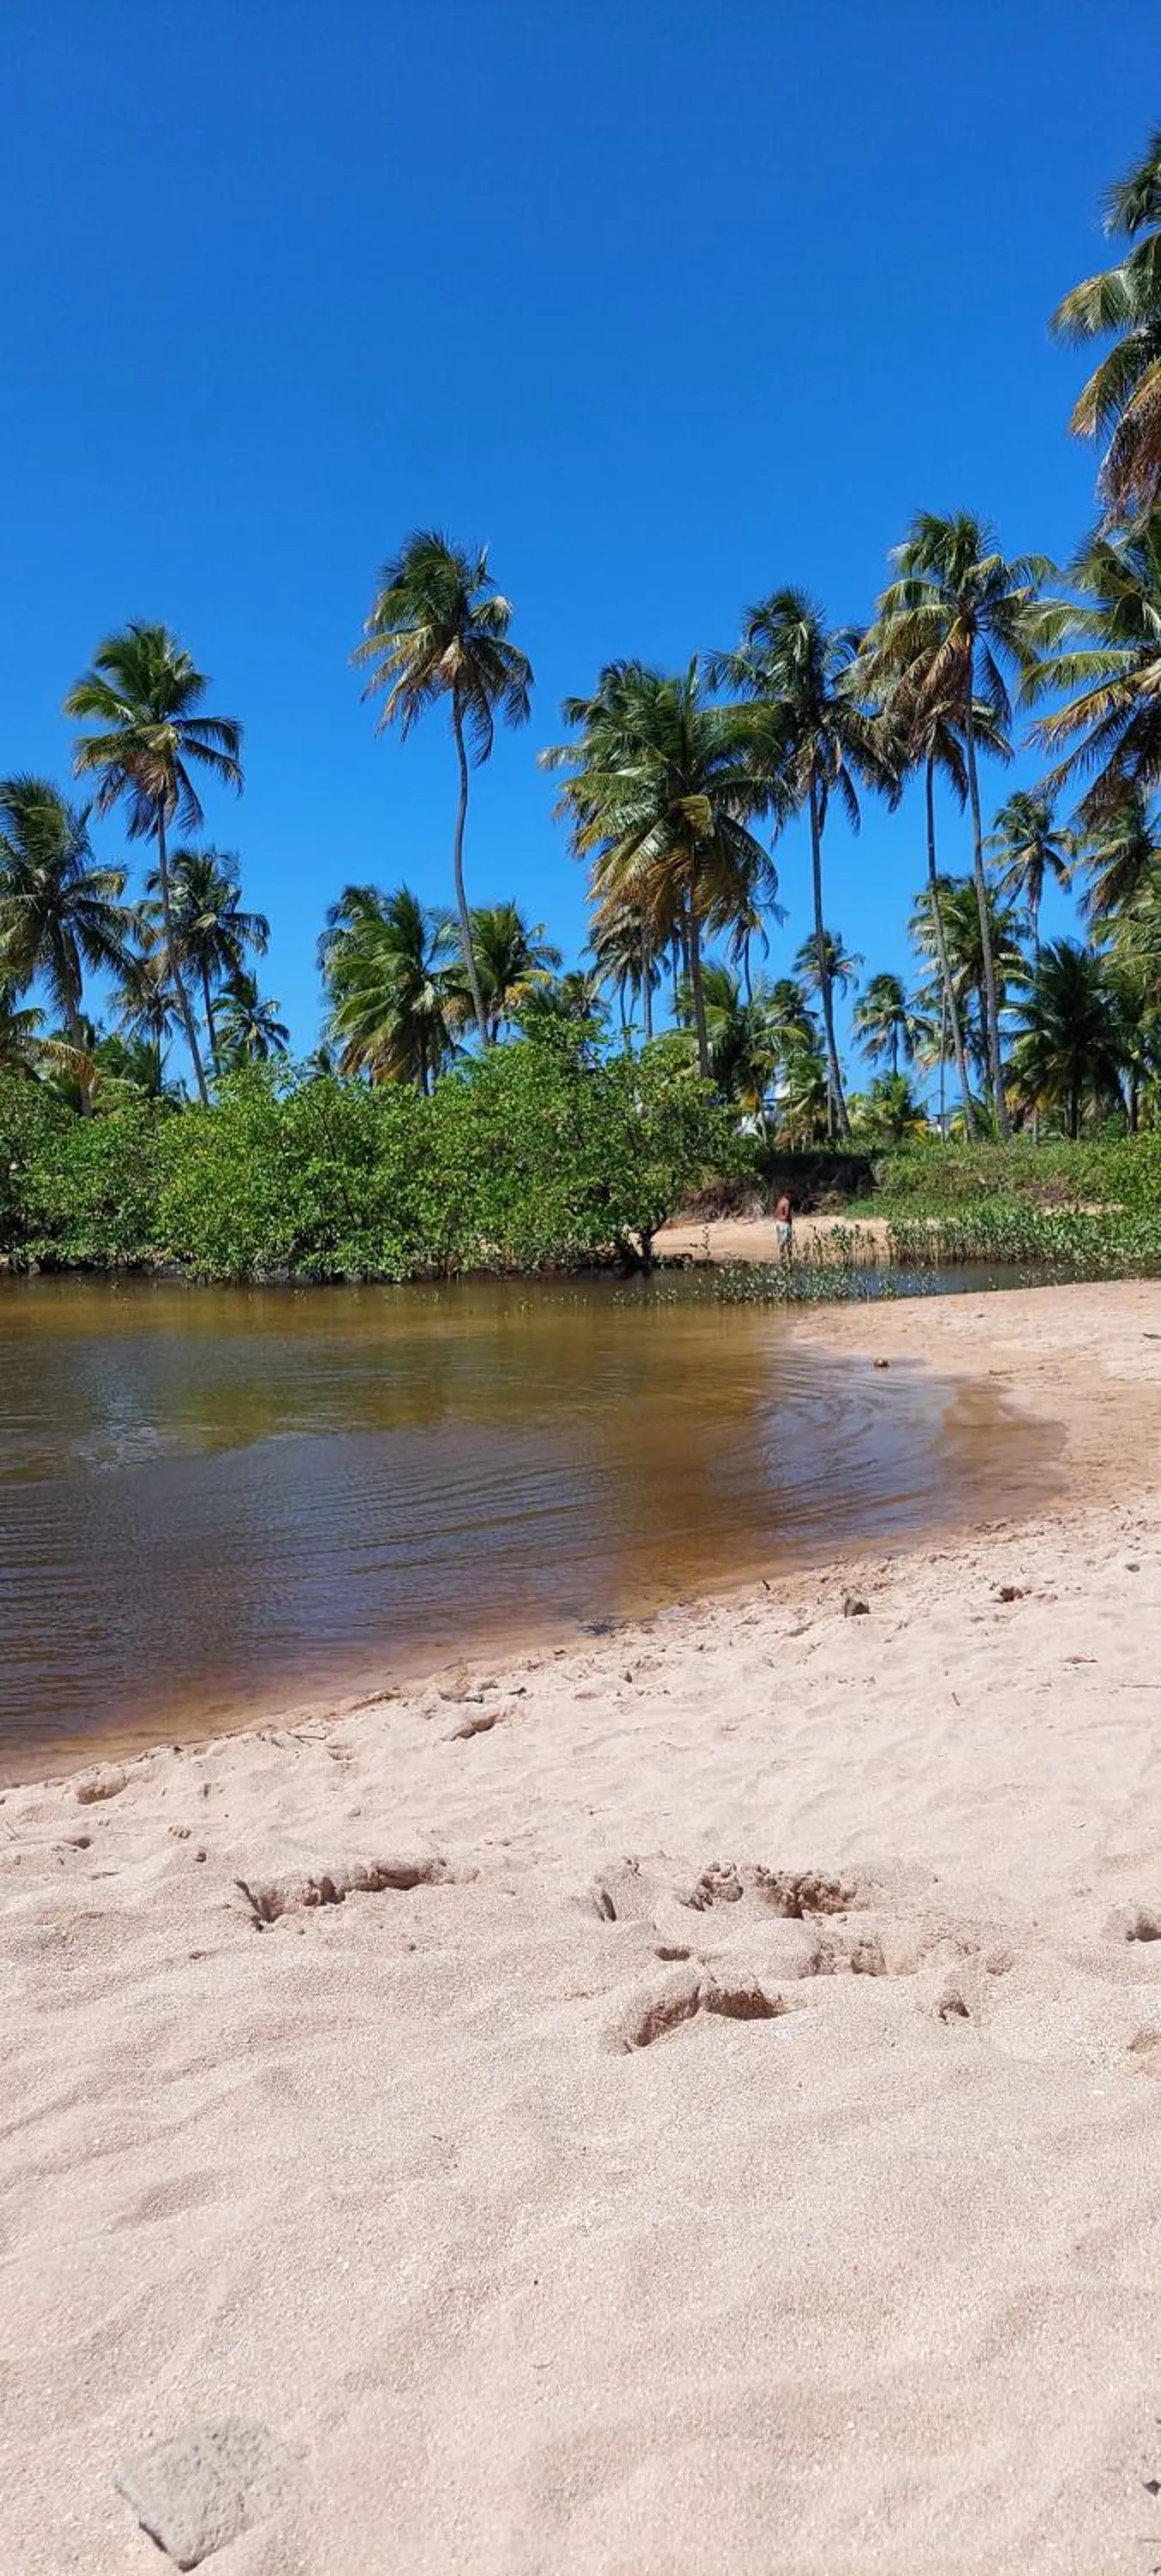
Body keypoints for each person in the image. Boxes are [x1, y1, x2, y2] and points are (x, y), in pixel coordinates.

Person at [774, 1190, 793, 1260]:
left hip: (778, 1222)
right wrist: (789, 1221)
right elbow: (787, 1214)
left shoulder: (781, 1200)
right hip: (785, 1224)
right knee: (788, 1242)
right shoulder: (787, 1202)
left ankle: (782, 1257)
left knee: (781, 1241)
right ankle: (789, 1258)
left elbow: (776, 1213)